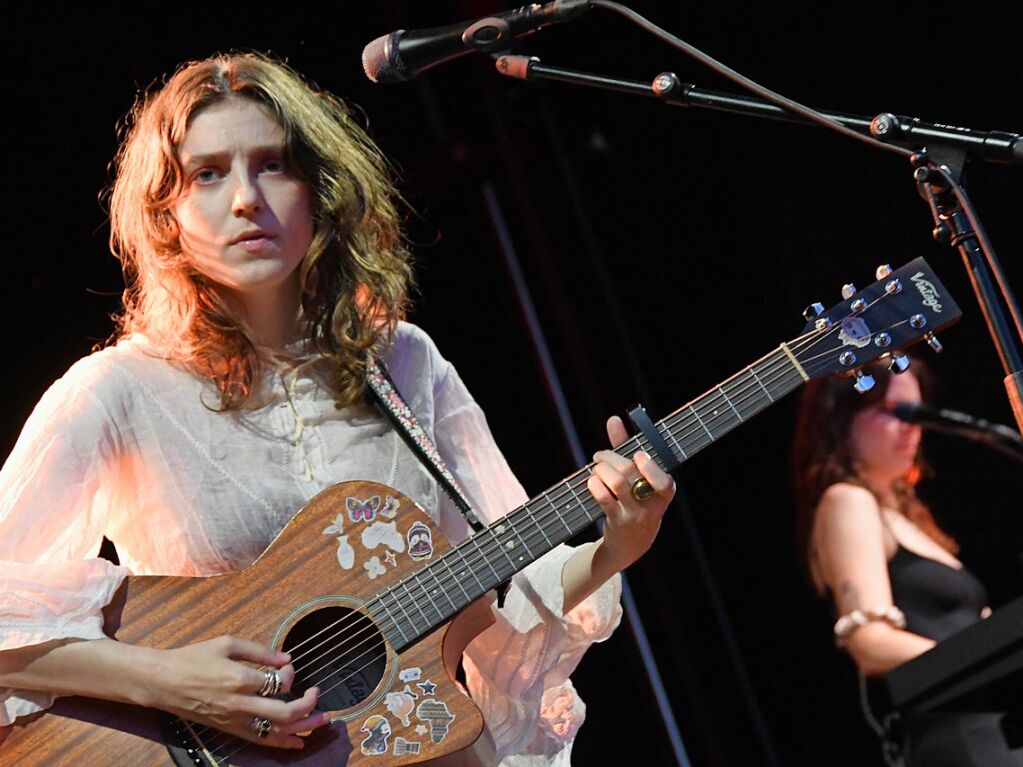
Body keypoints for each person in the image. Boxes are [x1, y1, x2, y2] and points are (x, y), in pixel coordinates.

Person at [0, 51, 675, 764]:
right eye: (207, 173)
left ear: (318, 189)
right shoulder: (116, 392)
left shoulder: (403, 363)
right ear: (165, 213)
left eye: (272, 165)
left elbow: (496, 589)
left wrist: (614, 546)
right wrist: (171, 680)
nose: (244, 198)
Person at [791, 360, 1022, 766]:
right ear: (842, 420)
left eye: (917, 413)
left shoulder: (909, 517)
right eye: (895, 411)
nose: (911, 426)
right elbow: (870, 642)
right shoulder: (848, 500)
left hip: (993, 723)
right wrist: (986, 657)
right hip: (957, 737)